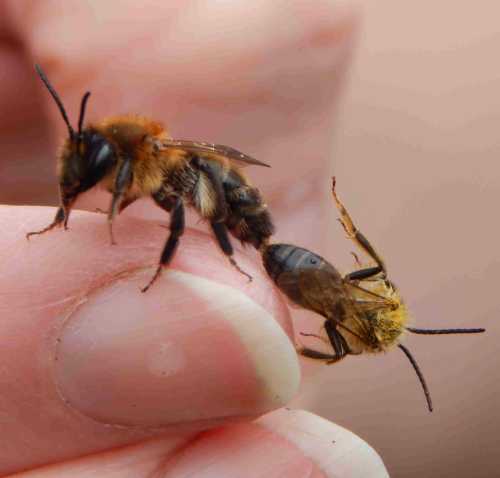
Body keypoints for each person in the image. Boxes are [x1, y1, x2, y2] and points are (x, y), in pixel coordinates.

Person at [0, 1, 388, 476]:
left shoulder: (146, 157)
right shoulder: (124, 163)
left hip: (226, 194)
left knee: (190, 200)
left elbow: (185, 195)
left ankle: (206, 264)